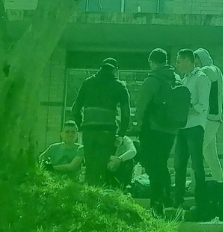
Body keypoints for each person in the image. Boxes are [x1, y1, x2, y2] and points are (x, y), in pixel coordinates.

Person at [71, 58, 133, 186]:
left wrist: (80, 126)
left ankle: (89, 194)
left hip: (89, 129)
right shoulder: (119, 86)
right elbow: (126, 114)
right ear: (115, 70)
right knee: (102, 166)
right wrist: (121, 134)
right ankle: (99, 195)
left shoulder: (87, 83)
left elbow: (75, 109)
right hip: (107, 130)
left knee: (90, 165)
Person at [137, 49, 182, 215]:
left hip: (152, 129)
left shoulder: (153, 79)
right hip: (170, 131)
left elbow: (141, 105)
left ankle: (156, 204)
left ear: (152, 62)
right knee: (162, 164)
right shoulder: (176, 78)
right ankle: (166, 198)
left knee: (153, 166)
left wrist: (138, 125)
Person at [172, 49, 211, 216]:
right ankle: (177, 201)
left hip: (195, 128)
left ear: (188, 60)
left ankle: (200, 203)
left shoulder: (201, 78)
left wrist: (185, 110)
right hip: (182, 128)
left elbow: (203, 105)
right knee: (178, 165)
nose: (177, 64)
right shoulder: (183, 80)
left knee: (196, 166)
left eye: (179, 61)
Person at [195, 48, 223, 185]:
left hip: (210, 119)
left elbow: (210, 72)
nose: (195, 64)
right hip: (210, 119)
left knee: (196, 151)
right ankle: (220, 183)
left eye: (196, 61)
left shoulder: (211, 69)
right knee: (211, 156)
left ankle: (195, 183)